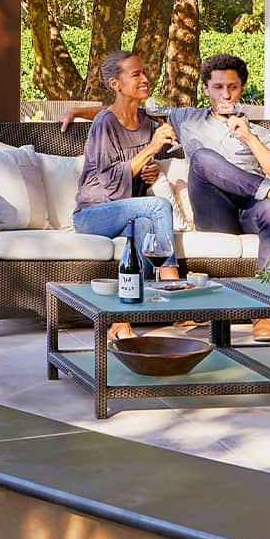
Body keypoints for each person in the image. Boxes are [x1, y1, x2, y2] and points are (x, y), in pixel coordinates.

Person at [166, 52, 270, 266]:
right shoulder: (187, 119)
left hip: (251, 207)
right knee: (202, 158)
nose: (226, 95)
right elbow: (135, 116)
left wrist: (249, 138)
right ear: (205, 88)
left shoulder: (261, 134)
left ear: (242, 88)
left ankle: (267, 288)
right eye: (218, 87)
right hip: (214, 209)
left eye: (233, 87)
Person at [74, 51, 182, 340]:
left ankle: (120, 321)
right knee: (158, 207)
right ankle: (174, 291)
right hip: (93, 214)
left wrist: (150, 173)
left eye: (144, 72)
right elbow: (108, 184)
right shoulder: (104, 124)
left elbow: (134, 175)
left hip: (128, 213)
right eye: (136, 75)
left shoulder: (148, 121)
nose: (145, 79)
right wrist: (150, 149)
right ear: (115, 84)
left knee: (144, 236)